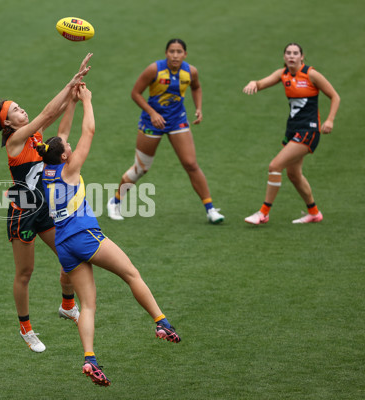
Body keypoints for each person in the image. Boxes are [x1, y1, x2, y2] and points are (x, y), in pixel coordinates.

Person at [37, 83, 181, 387]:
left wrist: (71, 102)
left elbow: (62, 136)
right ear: (64, 157)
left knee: (88, 305)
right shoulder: (69, 169)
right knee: (131, 274)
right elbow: (87, 133)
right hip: (84, 235)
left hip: (64, 245)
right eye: (68, 150)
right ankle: (161, 323)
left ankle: (90, 358)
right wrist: (87, 101)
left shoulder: (46, 168)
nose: (71, 147)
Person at [0, 53, 93, 353]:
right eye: (16, 110)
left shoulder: (34, 137)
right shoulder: (15, 140)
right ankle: (25, 328)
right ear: (7, 121)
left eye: (20, 106)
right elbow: (46, 113)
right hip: (23, 213)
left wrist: (72, 95)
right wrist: (70, 82)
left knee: (70, 256)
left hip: (43, 208)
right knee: (25, 273)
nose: (22, 110)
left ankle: (67, 306)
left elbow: (59, 124)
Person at [107, 38, 224, 224]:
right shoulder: (154, 69)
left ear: (185, 54)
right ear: (166, 53)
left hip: (177, 120)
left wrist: (199, 108)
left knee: (191, 164)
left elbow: (197, 87)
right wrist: (152, 113)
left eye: (179, 52)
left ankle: (210, 209)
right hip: (152, 123)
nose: (175, 55)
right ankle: (115, 202)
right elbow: (135, 93)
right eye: (172, 51)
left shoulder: (191, 71)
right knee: (141, 168)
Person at [242, 43, 340, 225]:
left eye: (295, 53)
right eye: (288, 53)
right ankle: (314, 213)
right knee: (294, 174)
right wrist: (253, 83)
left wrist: (330, 120)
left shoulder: (311, 74)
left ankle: (263, 213)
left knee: (275, 166)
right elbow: (262, 83)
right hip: (293, 129)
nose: (291, 57)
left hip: (308, 130)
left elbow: (335, 96)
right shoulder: (283, 74)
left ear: (302, 57)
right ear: (284, 57)